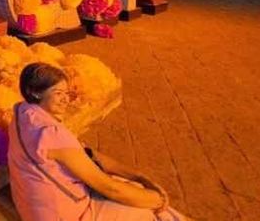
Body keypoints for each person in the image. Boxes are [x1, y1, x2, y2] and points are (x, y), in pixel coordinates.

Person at [9, 63, 185, 220]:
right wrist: (158, 199)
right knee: (145, 209)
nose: (66, 99)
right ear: (35, 92)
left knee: (133, 187)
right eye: (58, 93)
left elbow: (89, 154)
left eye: (66, 93)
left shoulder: (22, 114)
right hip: (63, 214)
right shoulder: (50, 133)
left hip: (35, 209)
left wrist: (139, 176)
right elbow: (109, 188)